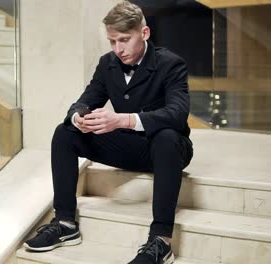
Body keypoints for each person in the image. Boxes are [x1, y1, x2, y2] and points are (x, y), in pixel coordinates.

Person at [23, 1, 194, 264]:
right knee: (64, 133)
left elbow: (177, 114)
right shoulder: (108, 64)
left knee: (167, 137)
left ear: (145, 33)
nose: (118, 49)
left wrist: (124, 120)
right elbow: (85, 100)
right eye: (112, 41)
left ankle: (161, 241)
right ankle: (66, 224)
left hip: (167, 149)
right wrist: (78, 116)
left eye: (124, 40)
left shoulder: (171, 64)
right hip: (129, 148)